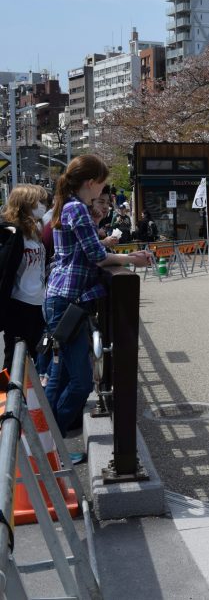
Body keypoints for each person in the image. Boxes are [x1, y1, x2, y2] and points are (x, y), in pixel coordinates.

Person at [42, 155, 151, 443]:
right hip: (67, 299)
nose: (101, 192)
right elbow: (96, 256)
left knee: (60, 377)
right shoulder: (77, 208)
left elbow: (84, 250)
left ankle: (44, 444)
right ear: (91, 182)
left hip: (60, 297)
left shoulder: (67, 206)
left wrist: (112, 250)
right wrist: (132, 259)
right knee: (79, 382)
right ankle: (55, 441)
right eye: (101, 185)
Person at [1, 185, 49, 372]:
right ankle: (6, 398)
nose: (42, 205)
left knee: (36, 358)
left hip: (38, 302)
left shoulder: (36, 229)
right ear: (26, 204)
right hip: (18, 305)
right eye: (38, 201)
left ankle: (27, 399)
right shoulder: (11, 233)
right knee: (14, 358)